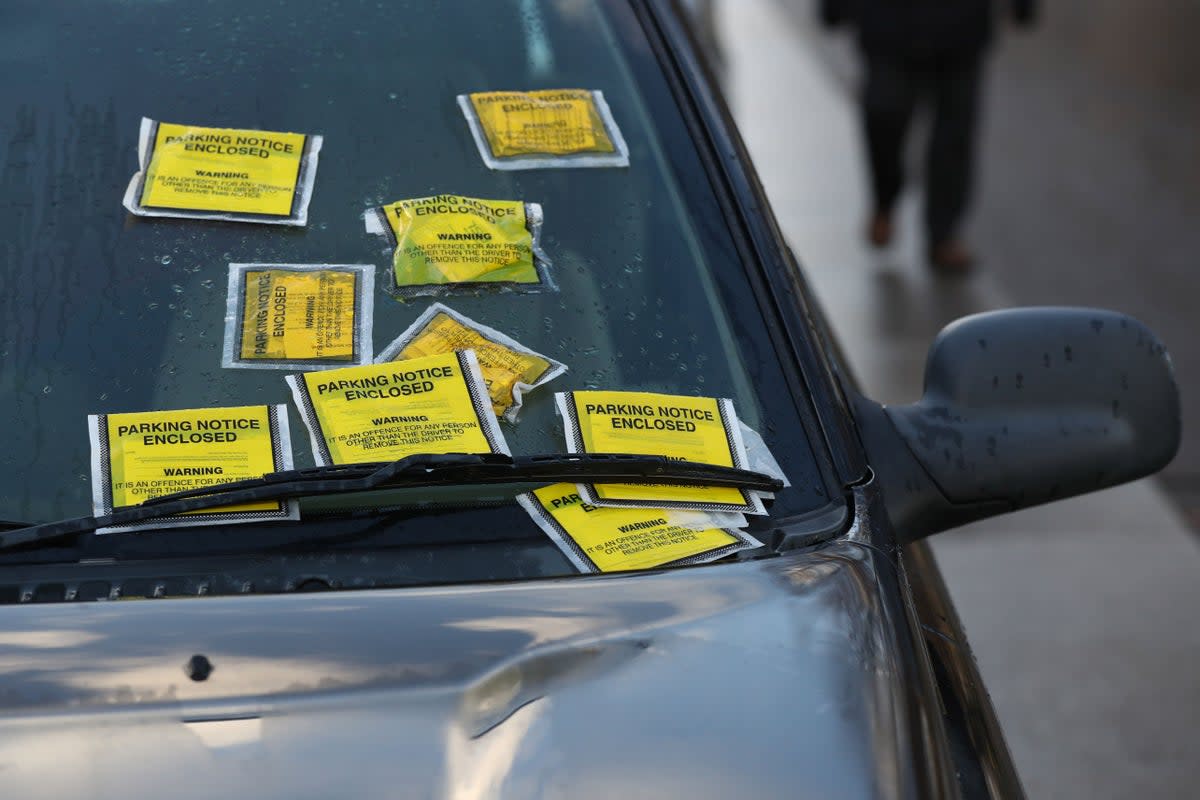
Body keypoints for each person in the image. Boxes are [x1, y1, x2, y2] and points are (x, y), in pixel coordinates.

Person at [820, 0, 1036, 273]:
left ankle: (943, 235)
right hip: (887, 24)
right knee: (884, 118)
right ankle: (884, 201)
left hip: (961, 28)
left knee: (953, 136)